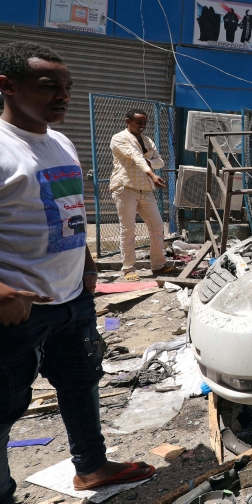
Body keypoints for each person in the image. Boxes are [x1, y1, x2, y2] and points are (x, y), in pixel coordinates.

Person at [0, 42, 156, 504]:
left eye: (67, 87)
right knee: (4, 408)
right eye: (49, 87)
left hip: (72, 298)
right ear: (6, 86)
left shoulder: (60, 141)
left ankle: (91, 467)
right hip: (17, 312)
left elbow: (71, 211)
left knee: (80, 383)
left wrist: (87, 263)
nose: (62, 96)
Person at [110, 110, 174, 281]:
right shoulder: (119, 138)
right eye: (139, 122)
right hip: (125, 188)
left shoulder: (147, 140)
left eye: (145, 122)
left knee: (157, 226)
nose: (142, 126)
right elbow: (135, 157)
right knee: (128, 229)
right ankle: (129, 269)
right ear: (128, 121)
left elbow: (159, 161)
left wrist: (150, 163)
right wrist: (152, 173)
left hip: (145, 190)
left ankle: (158, 265)